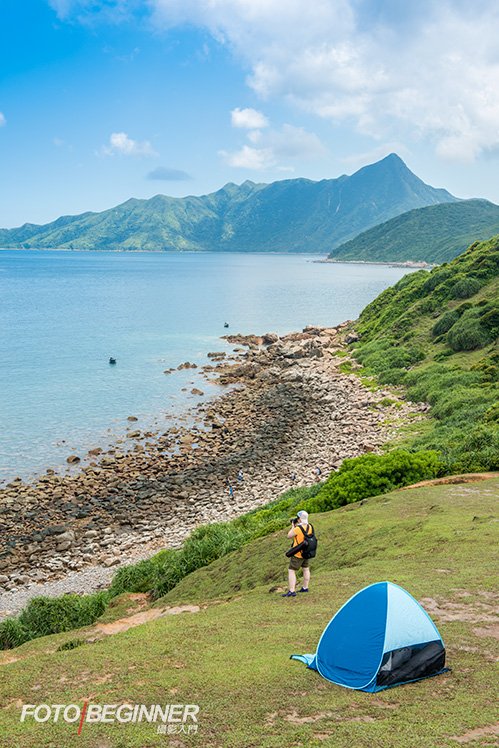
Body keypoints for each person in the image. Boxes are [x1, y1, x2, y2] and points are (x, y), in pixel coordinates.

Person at [282, 510, 313, 597]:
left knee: (291, 570)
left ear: (299, 519)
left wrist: (292, 526)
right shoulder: (310, 526)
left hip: (298, 553)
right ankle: (305, 587)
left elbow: (289, 536)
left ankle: (292, 590)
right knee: (306, 569)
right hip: (306, 552)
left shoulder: (297, 529)